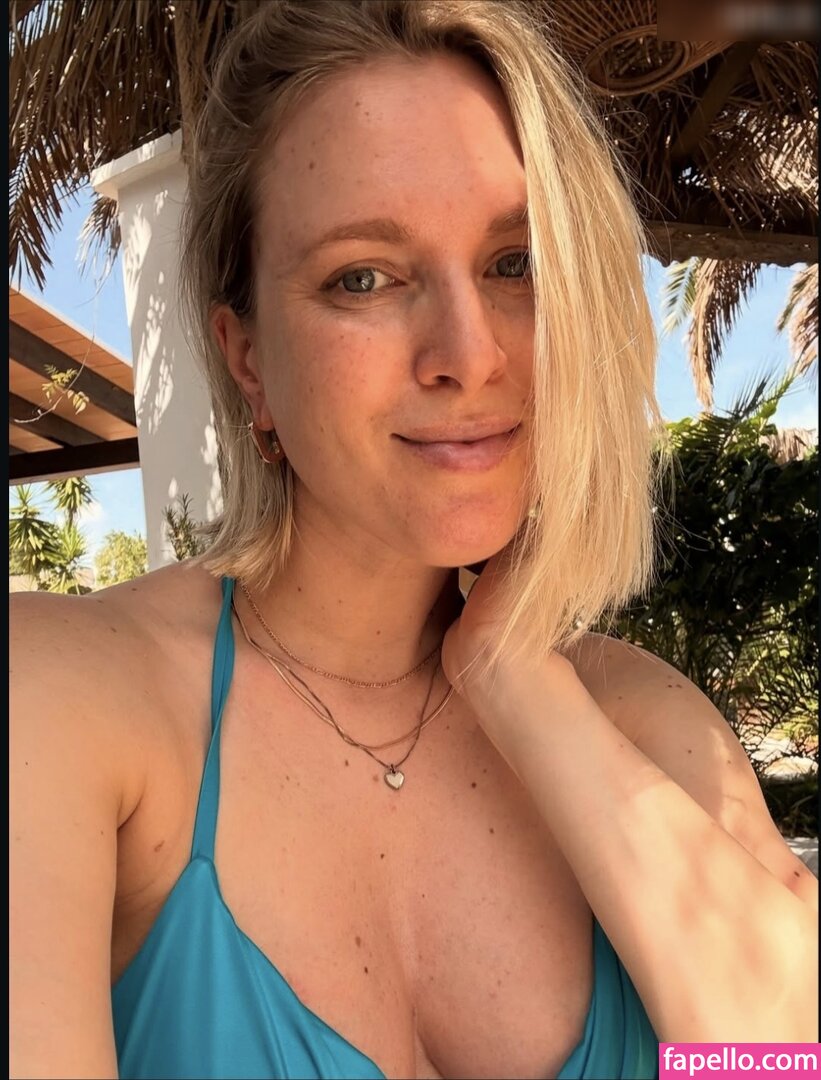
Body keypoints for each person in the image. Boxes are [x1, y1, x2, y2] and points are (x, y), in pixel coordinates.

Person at [10, 2, 818, 1078]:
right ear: (247, 359)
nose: (467, 353)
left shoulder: (629, 714)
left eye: (514, 263)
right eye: (363, 277)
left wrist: (511, 671)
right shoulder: (64, 701)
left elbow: (773, 1056)